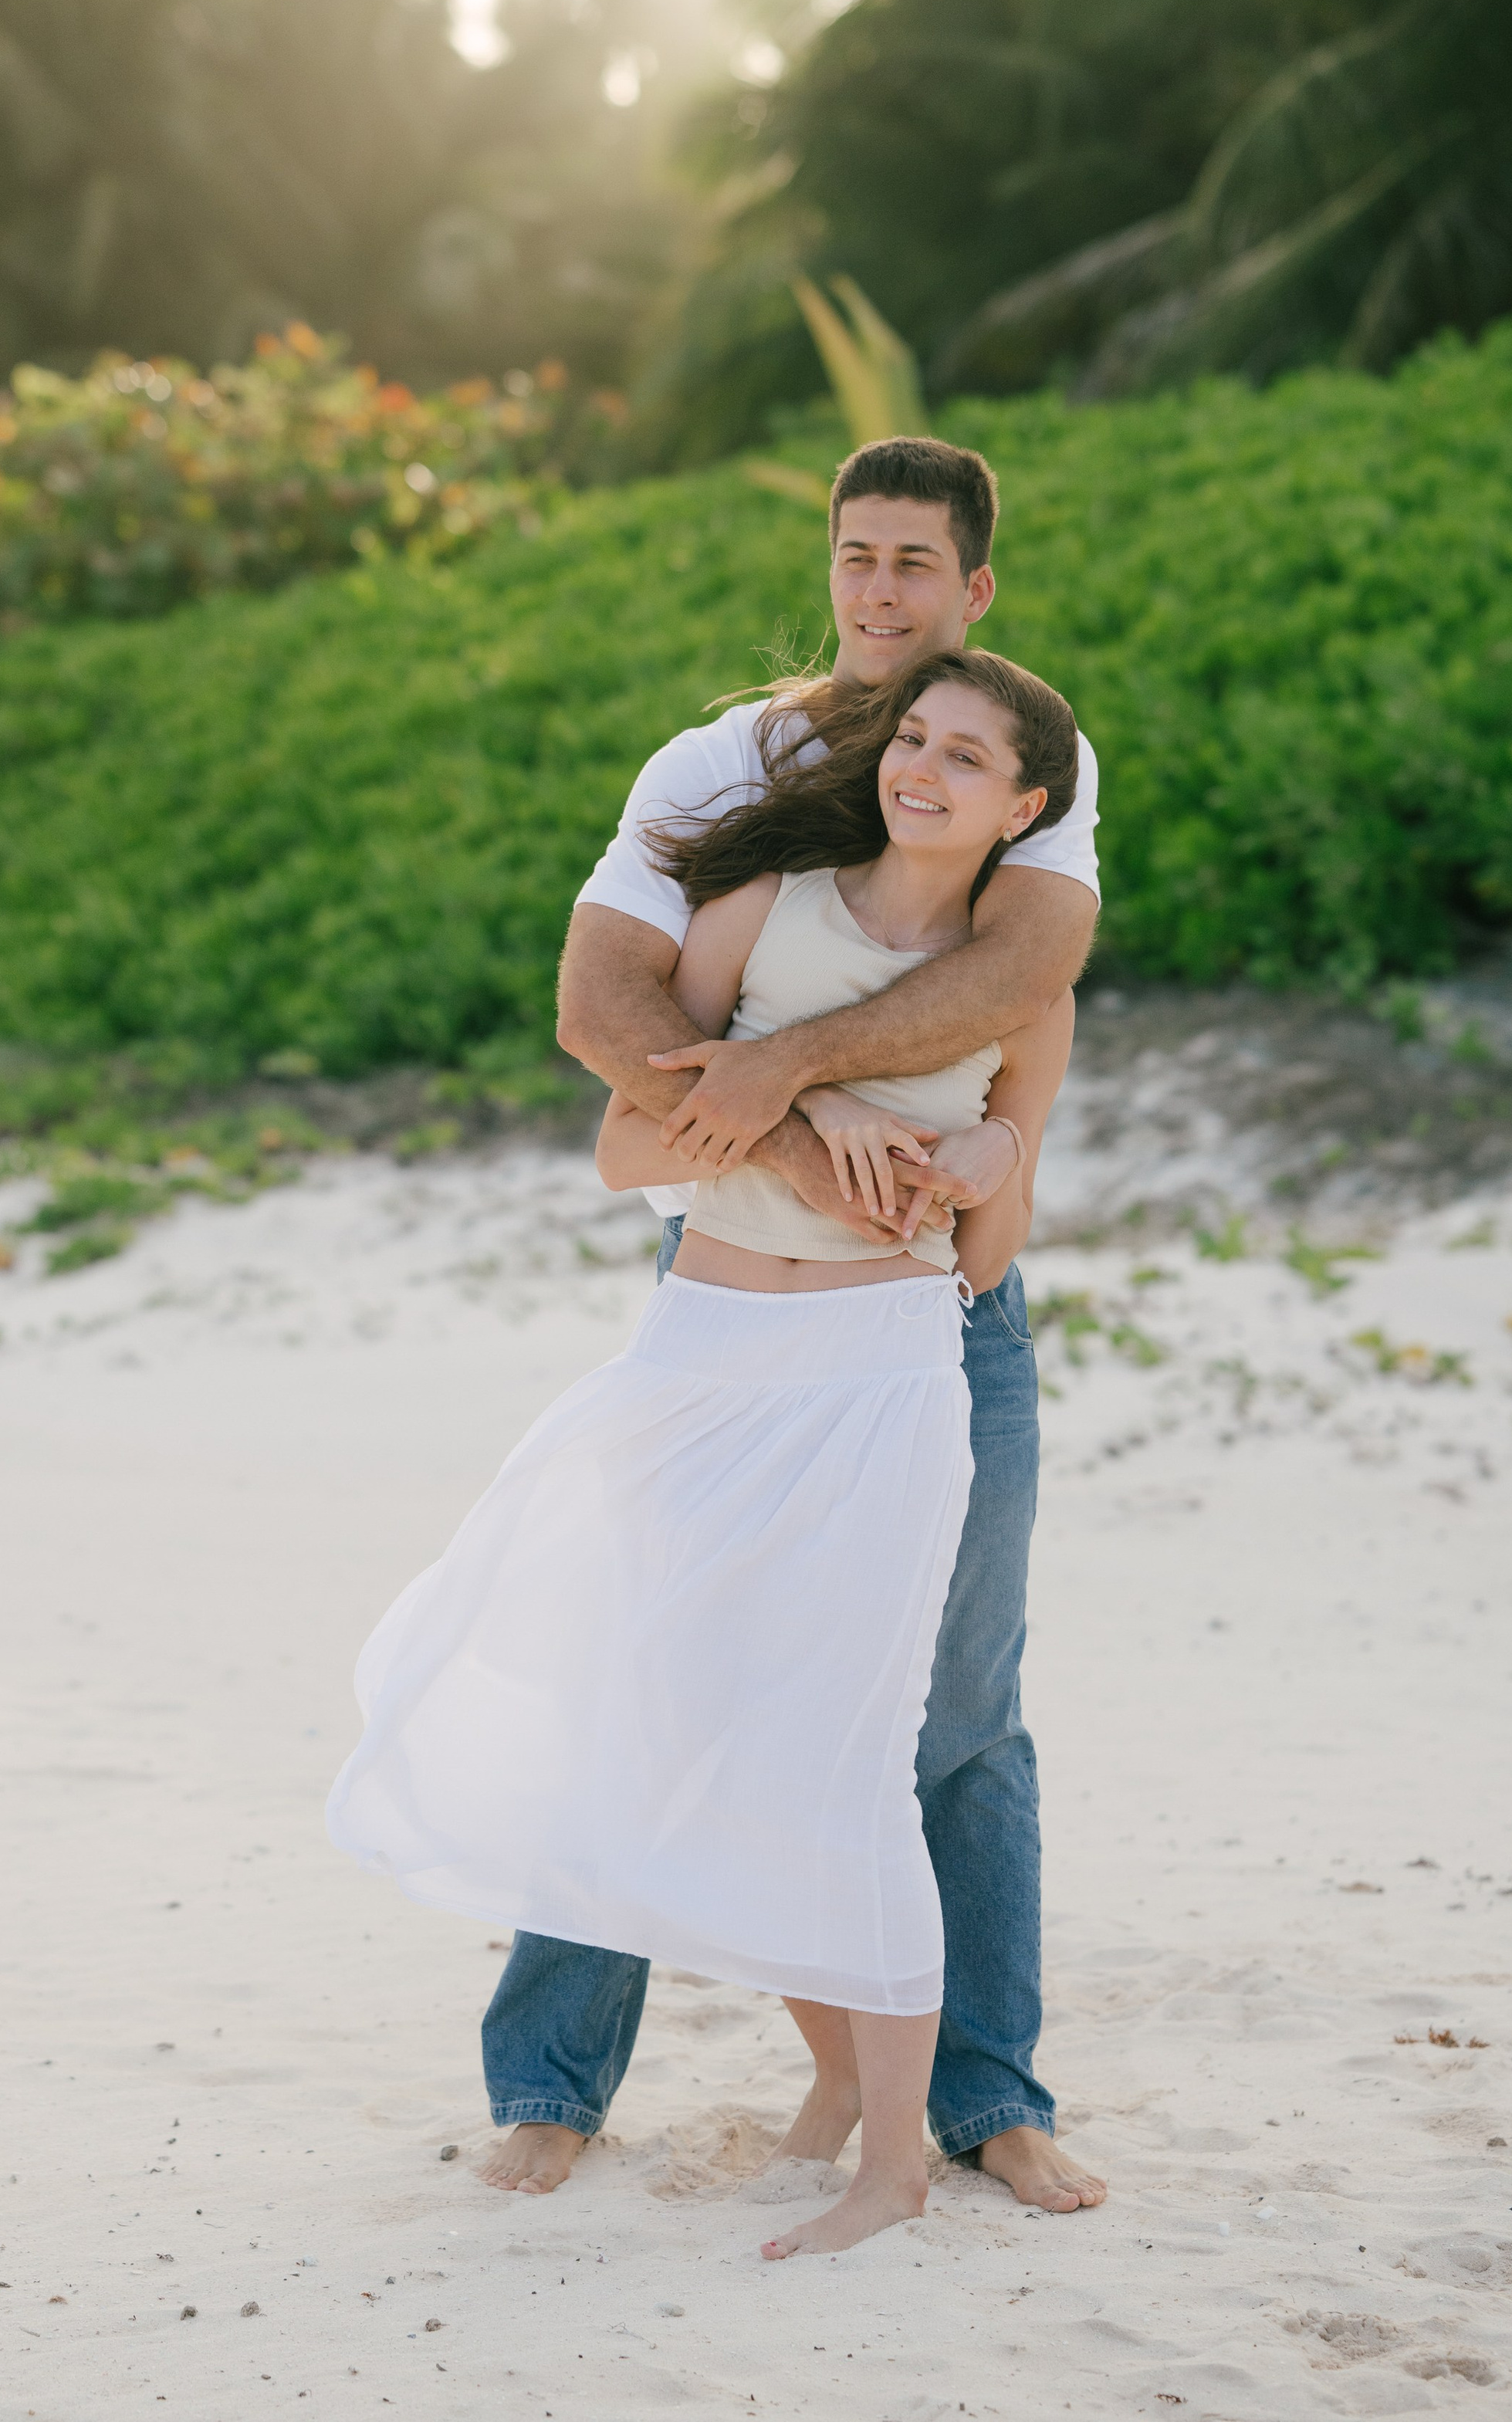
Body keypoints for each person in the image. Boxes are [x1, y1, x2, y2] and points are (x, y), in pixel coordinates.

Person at [329, 648, 1077, 2256]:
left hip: (881, 1373)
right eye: (914, 740)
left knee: (855, 1750)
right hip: (699, 1356)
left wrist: (982, 1145)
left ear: (1020, 809)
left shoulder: (1018, 987)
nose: (923, 770)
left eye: (965, 757)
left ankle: (891, 2160)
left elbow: (986, 1244)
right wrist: (820, 1129)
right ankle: (729, 2084)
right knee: (663, 1708)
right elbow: (619, 1141)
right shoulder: (767, 906)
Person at [479, 434, 1108, 2217]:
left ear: (972, 586)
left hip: (924, 1327)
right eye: (856, 555)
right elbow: (600, 999)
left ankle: (986, 2096)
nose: (880, 590)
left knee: (957, 1715)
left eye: (916, 561)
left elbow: (1019, 973)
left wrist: (812, 1072)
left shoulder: (1024, 749)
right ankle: (551, 2078)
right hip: (723, 1304)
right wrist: (783, 1102)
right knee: (644, 1672)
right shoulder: (723, 763)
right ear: (826, 565)